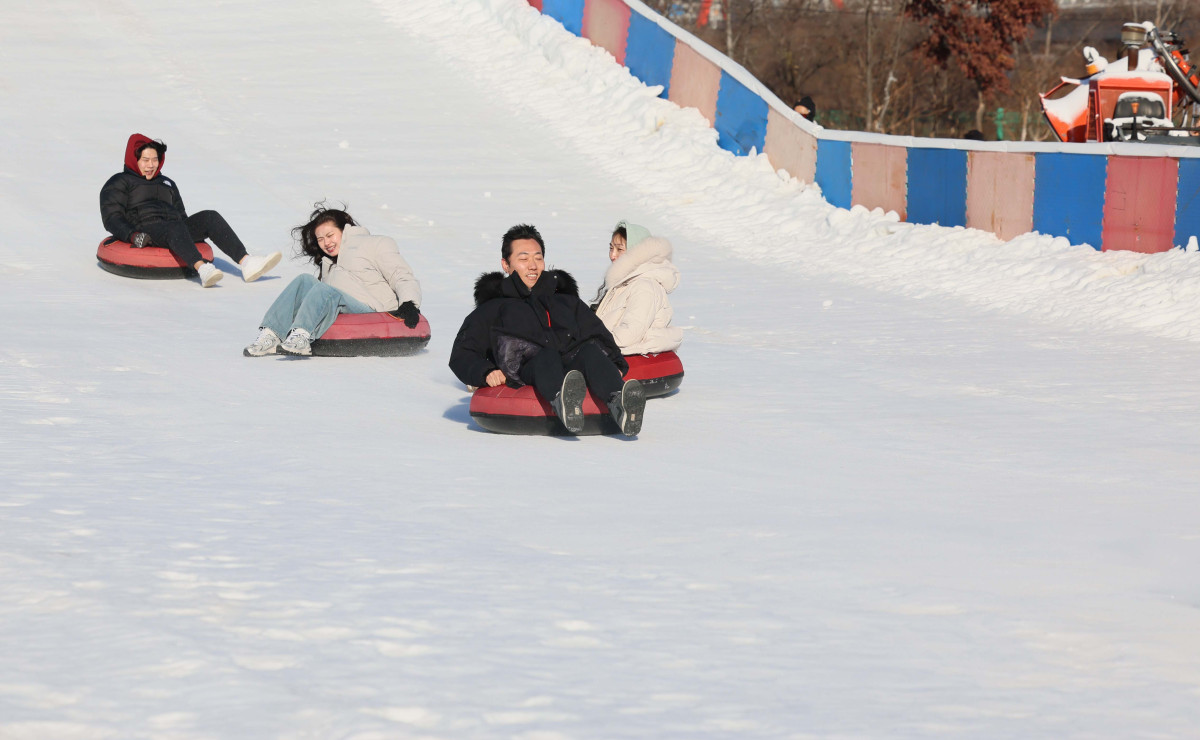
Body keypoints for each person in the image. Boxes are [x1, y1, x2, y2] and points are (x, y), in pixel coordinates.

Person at [449, 224, 646, 436]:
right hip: (526, 371)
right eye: (523, 259)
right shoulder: (494, 308)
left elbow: (598, 335)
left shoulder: (566, 302)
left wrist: (614, 364)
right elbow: (463, 353)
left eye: (538, 258)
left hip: (573, 369)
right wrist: (485, 372)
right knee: (547, 355)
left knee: (588, 352)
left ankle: (620, 403)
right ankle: (563, 400)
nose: (532, 266)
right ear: (506, 265)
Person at [100, 133, 281, 287]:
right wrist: (133, 235)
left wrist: (190, 237)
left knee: (210, 216)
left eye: (155, 160)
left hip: (173, 229)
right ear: (135, 160)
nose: (151, 165)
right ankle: (203, 269)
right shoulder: (119, 182)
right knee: (174, 227)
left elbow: (181, 215)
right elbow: (112, 217)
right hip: (146, 230)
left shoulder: (168, 183)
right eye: (145, 160)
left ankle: (247, 262)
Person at [243, 204, 422, 357]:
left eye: (330, 235)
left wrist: (409, 303)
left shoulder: (375, 244)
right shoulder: (328, 265)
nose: (326, 243)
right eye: (320, 239)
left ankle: (301, 336)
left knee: (324, 290)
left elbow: (401, 275)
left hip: (376, 312)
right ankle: (271, 334)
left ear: (344, 230)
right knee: (304, 280)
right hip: (346, 310)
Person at [591, 221, 682, 355]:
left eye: (619, 249)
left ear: (637, 252)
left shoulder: (644, 287)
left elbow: (630, 333)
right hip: (609, 354)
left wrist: (592, 343)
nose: (612, 255)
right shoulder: (622, 285)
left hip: (627, 360)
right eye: (611, 248)